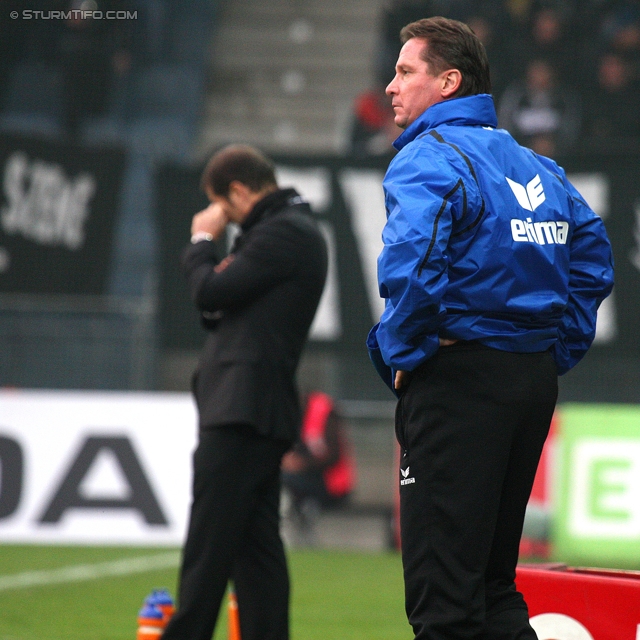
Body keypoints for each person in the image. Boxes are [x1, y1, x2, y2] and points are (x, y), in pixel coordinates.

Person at [366, 17, 614, 639]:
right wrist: (552, 350)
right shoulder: (538, 167)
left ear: (447, 83)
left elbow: (413, 262)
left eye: (405, 71)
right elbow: (593, 255)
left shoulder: (430, 155)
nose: (390, 85)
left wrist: (403, 353)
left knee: (443, 602)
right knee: (493, 591)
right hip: (528, 383)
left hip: (458, 383)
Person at [161, 144, 327, 640]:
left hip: (242, 410)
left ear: (238, 190)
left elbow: (210, 292)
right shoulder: (283, 232)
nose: (220, 218)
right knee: (255, 556)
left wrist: (199, 240)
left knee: (207, 551)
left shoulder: (282, 234)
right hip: (255, 409)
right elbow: (220, 303)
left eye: (223, 205)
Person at [280, 390, 356, 543]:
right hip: (308, 479)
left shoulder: (324, 412)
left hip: (331, 483)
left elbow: (332, 455)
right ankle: (299, 513)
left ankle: (298, 514)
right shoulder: (295, 417)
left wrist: (301, 463)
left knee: (286, 478)